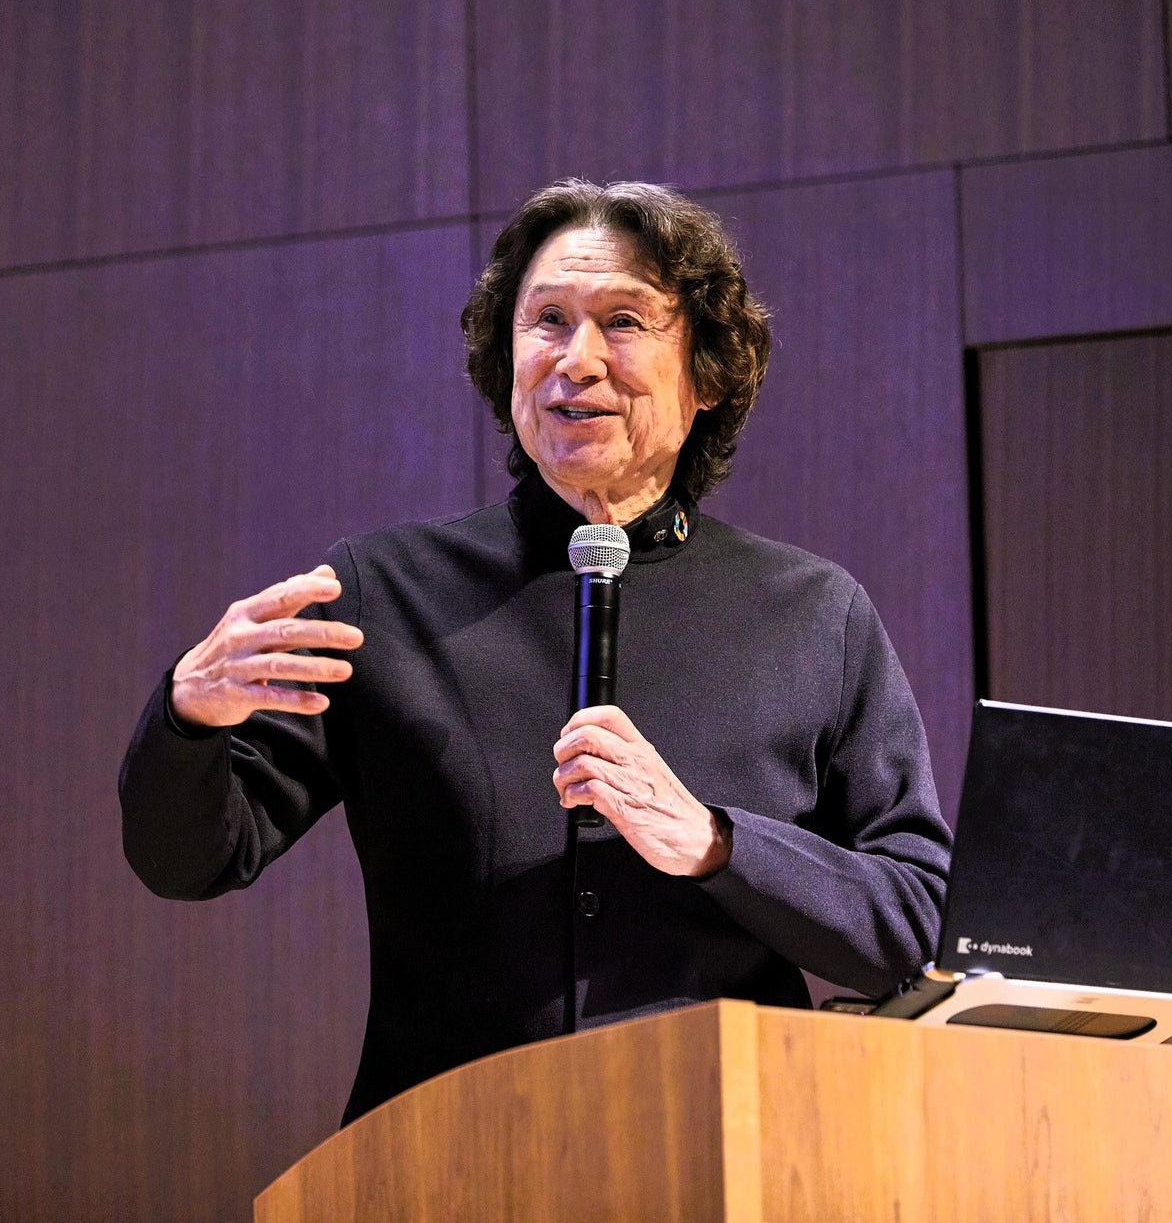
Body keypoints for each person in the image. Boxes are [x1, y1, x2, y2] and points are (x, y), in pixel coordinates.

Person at [119, 179, 952, 1125]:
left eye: (623, 322)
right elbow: (190, 861)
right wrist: (187, 717)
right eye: (547, 321)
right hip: (442, 1152)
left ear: (708, 373)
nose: (576, 359)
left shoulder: (814, 615)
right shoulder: (383, 593)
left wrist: (719, 844)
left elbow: (914, 926)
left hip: (728, 1144)